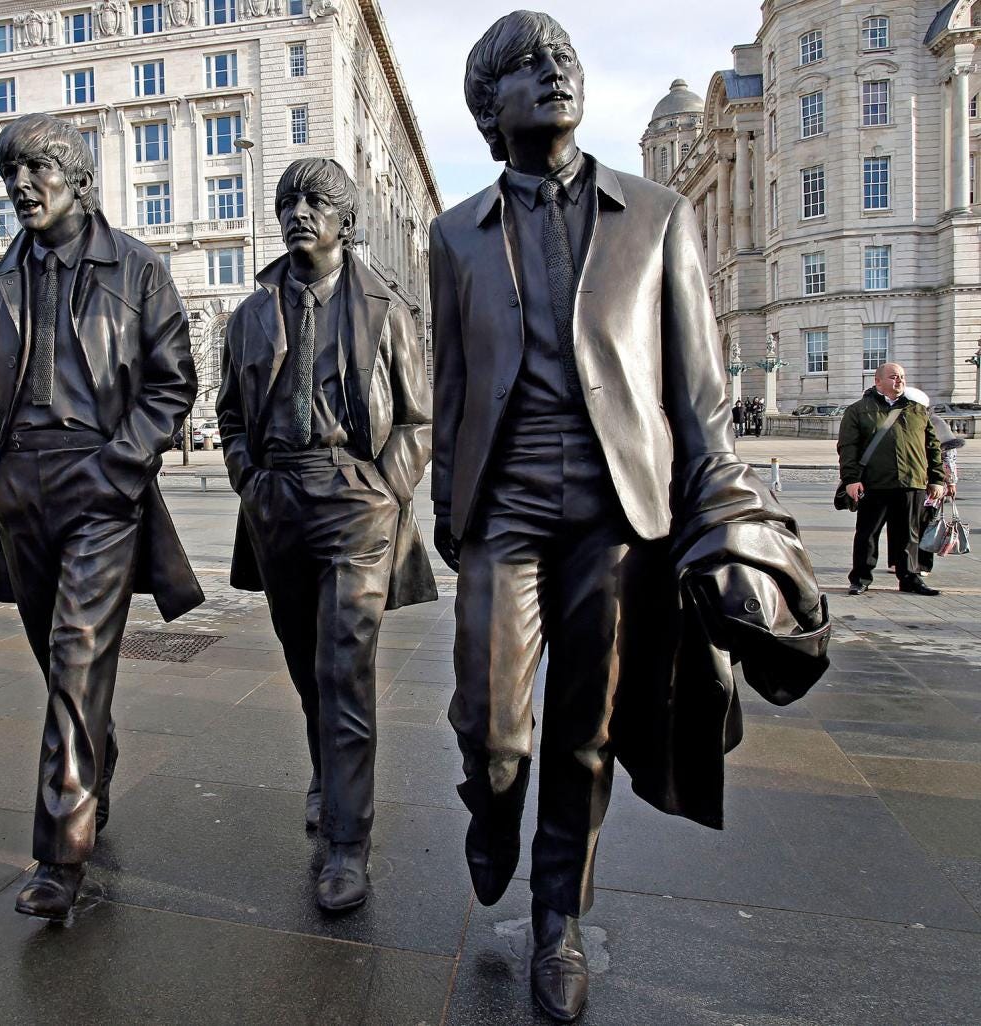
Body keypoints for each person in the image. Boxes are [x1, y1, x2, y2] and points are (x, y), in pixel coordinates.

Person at [430, 12, 829, 1022]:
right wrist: (448, 508)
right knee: (493, 726)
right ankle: (490, 801)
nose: (552, 70)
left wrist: (723, 513)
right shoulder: (455, 234)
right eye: (525, 64)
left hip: (618, 514)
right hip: (505, 506)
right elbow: (451, 384)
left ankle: (558, 914)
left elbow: (696, 393)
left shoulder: (654, 216)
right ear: (491, 104)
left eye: (561, 56)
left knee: (585, 729)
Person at [0, 113, 202, 921]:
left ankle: (59, 856)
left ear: (79, 178)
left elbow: (174, 382)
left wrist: (121, 463)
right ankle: (94, 757)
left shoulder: (137, 270)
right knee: (54, 656)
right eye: (12, 173)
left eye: (38, 169)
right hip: (21, 490)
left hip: (101, 483)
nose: (22, 186)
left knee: (76, 656)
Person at [215, 158, 436, 914]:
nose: (299, 212)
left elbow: (417, 416)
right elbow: (229, 415)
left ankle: (347, 843)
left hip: (356, 500)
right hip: (278, 500)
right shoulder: (249, 314)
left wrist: (386, 489)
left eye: (316, 201)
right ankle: (325, 773)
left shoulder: (386, 308)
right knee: (307, 667)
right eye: (288, 202)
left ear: (346, 220)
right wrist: (250, 477)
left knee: (345, 669)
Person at [840, 365, 946, 595]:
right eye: (893, 377)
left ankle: (910, 577)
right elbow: (848, 448)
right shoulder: (859, 410)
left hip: (911, 482)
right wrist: (851, 479)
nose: (899, 380)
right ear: (878, 381)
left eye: (902, 377)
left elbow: (933, 447)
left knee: (909, 533)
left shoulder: (918, 410)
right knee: (867, 533)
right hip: (873, 482)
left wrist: (937, 478)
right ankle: (861, 577)